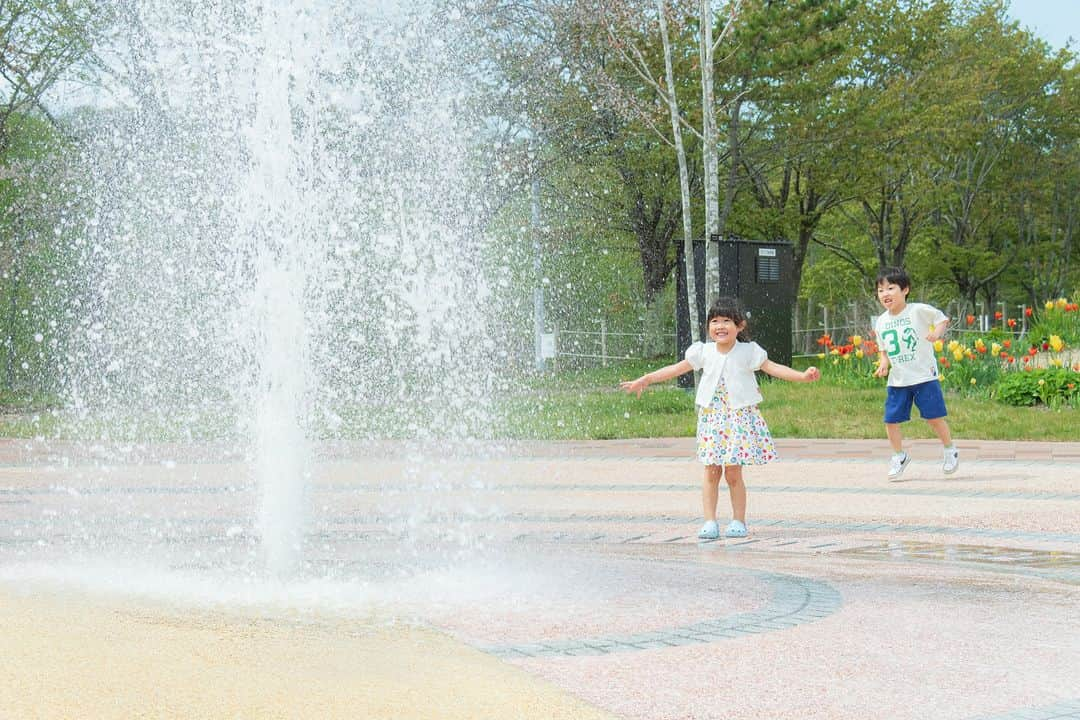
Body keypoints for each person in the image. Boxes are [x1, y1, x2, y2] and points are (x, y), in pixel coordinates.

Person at [620, 298, 820, 540]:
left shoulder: (749, 352)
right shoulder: (703, 351)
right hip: (712, 420)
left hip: (738, 420)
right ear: (708, 327)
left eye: (726, 321)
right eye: (715, 321)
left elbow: (774, 368)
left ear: (740, 326)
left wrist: (802, 376)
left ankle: (738, 520)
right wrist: (646, 379)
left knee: (733, 474)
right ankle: (710, 521)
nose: (720, 326)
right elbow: (675, 369)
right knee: (711, 471)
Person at [873, 266, 959, 480]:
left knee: (934, 418)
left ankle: (950, 450)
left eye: (891, 288)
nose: (885, 294)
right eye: (881, 290)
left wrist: (937, 334)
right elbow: (882, 348)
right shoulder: (881, 321)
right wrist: (883, 363)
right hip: (898, 380)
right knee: (890, 420)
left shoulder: (918, 310)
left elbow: (942, 319)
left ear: (905, 290)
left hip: (924, 377)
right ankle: (899, 456)